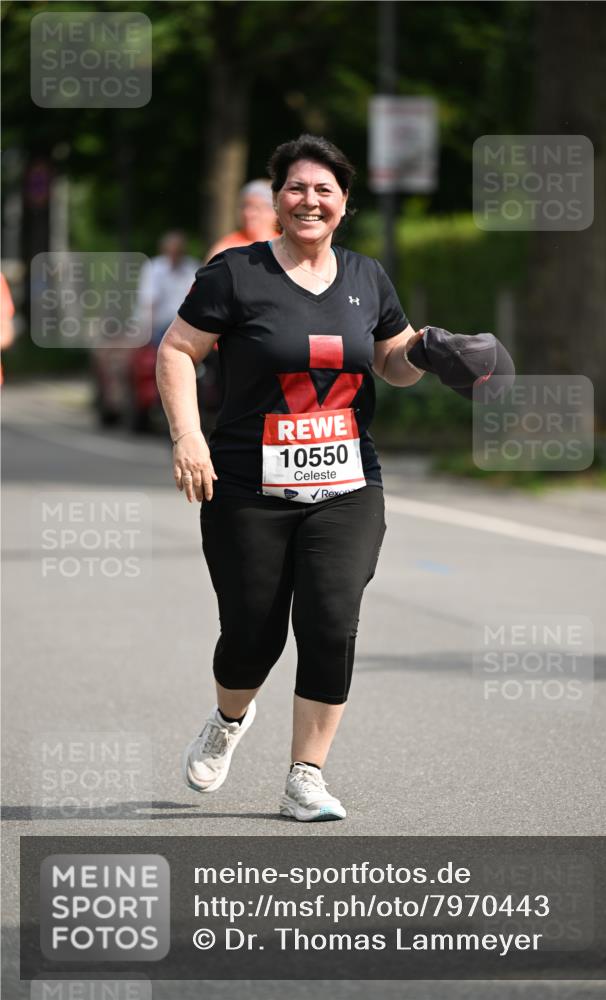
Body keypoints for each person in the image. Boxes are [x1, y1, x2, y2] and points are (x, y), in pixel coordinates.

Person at [156, 134, 426, 821]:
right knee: (252, 632)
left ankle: (305, 775)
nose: (310, 200)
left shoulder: (367, 279)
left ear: (344, 206)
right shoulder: (235, 274)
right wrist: (189, 436)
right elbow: (179, 350)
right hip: (246, 488)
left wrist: (428, 353)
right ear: (276, 201)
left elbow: (391, 360)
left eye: (324, 190)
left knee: (331, 620)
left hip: (347, 485)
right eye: (296, 188)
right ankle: (227, 718)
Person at [137, 231, 199, 345]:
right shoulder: (153, 268)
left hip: (185, 324)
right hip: (159, 326)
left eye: (178, 252)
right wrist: (147, 331)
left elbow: (196, 299)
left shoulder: (192, 267)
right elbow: (149, 303)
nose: (174, 256)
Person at [206, 180, 280, 261]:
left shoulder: (284, 247)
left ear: (274, 212)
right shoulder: (226, 247)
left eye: (256, 208)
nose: (248, 214)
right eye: (245, 207)